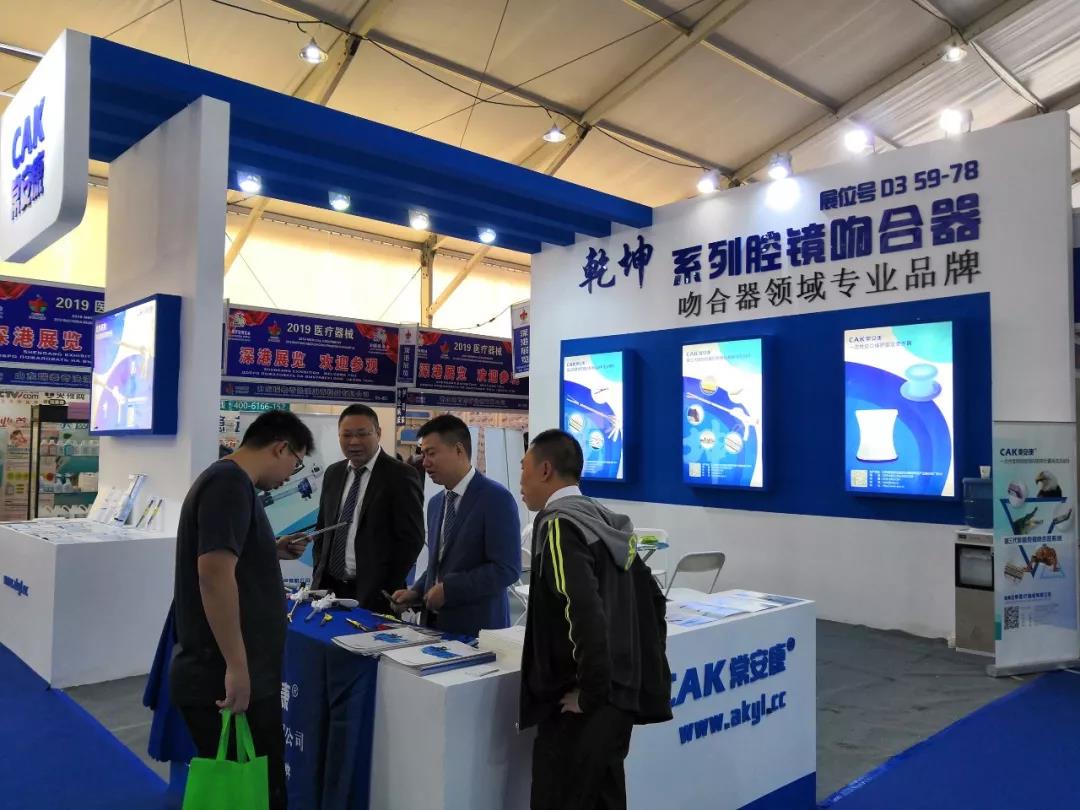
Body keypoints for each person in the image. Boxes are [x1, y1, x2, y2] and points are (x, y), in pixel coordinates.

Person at [518, 429, 672, 810]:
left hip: (579, 706)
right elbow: (654, 601)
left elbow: (582, 611)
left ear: (545, 470)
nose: (520, 480)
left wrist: (590, 692)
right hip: (619, 699)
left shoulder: (559, 525)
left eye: (524, 468)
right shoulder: (605, 520)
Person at [171, 410, 315, 810]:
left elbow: (228, 557)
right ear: (280, 448)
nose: (290, 475)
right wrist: (237, 666)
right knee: (249, 792)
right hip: (222, 672)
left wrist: (271, 549)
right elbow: (214, 575)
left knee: (248, 788)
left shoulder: (230, 483)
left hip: (228, 668)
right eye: (295, 462)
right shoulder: (229, 484)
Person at [391, 414, 520, 637]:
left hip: (477, 630)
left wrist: (450, 590)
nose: (425, 462)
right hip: (434, 628)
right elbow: (439, 563)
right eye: (423, 454)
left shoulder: (496, 499)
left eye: (432, 453)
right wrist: (417, 592)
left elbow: (506, 569)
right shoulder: (435, 504)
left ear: (459, 450)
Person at [311, 404, 424, 612]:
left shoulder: (401, 475)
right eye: (347, 435)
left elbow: (411, 540)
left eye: (362, 434)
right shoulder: (333, 473)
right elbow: (323, 528)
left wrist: (385, 588)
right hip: (329, 590)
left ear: (378, 433)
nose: (354, 442)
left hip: (375, 596)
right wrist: (319, 569)